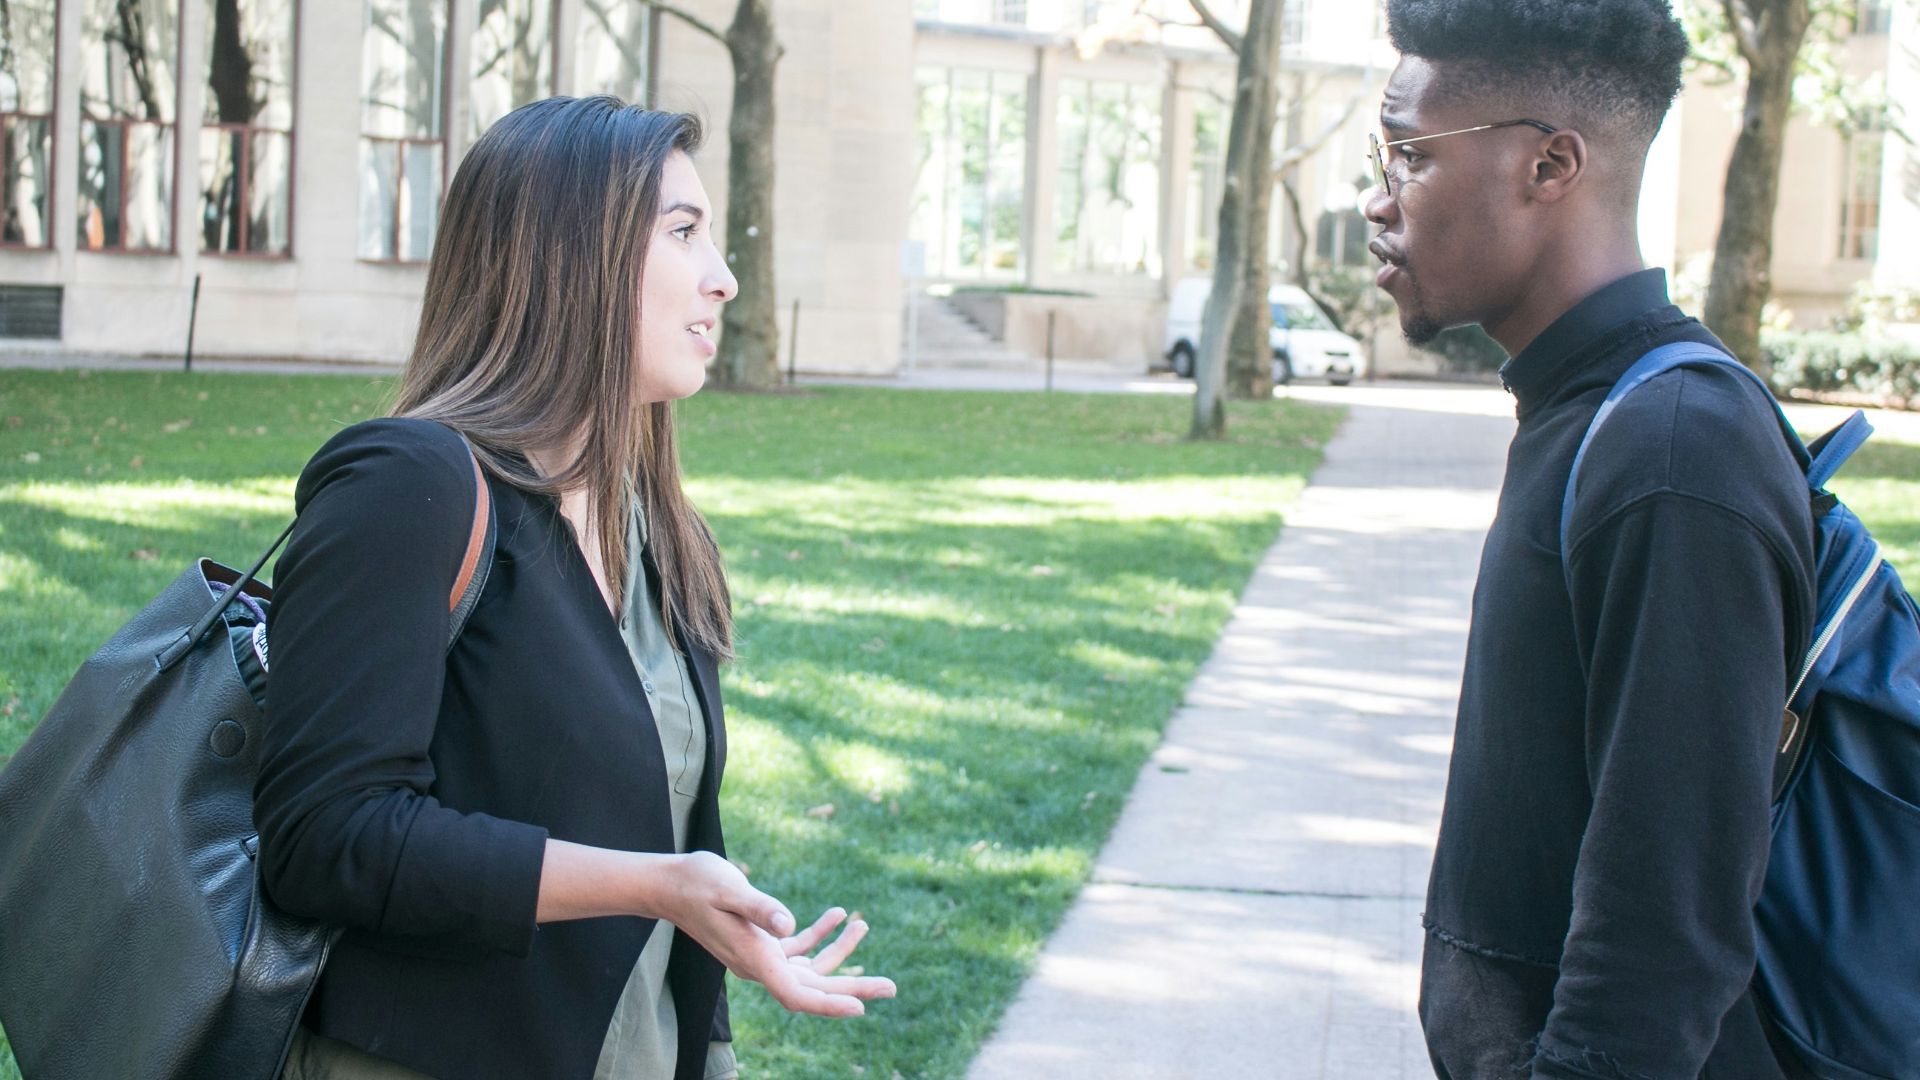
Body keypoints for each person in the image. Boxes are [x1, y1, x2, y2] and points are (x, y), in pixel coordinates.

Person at [254, 97, 895, 1080]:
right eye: (683, 233)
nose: (721, 279)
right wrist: (652, 886)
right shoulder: (407, 484)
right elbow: (325, 836)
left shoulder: (657, 529)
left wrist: (707, 955)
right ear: (569, 255)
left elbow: (670, 832)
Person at [1365, 3, 1818, 1078]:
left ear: (1551, 164)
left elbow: (1664, 941)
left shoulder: (1673, 451)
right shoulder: (1588, 412)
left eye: (1409, 157)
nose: (1379, 202)